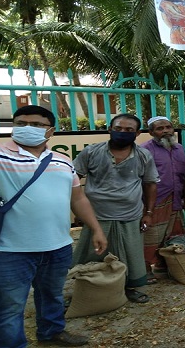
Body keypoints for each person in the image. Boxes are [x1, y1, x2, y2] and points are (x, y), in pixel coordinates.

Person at [0, 105, 107, 347]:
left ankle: (51, 332)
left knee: (52, 296)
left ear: (50, 131)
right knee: (9, 307)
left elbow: (78, 198)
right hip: (10, 251)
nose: (27, 128)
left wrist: (96, 229)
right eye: (20, 123)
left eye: (36, 125)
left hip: (58, 246)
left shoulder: (63, 160)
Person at [72, 113, 159, 303]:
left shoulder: (143, 155)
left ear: (137, 134)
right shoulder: (91, 152)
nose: (122, 133)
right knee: (92, 254)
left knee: (129, 253)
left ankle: (128, 288)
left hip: (130, 215)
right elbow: (73, 179)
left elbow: (150, 184)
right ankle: (88, 291)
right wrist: (78, 211)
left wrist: (149, 213)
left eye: (129, 130)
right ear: (109, 129)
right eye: (118, 128)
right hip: (96, 215)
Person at [140, 116, 185, 283]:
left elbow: (182, 175)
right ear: (151, 132)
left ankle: (165, 266)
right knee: (151, 236)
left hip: (175, 198)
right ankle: (146, 269)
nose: (165, 131)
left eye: (168, 127)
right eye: (160, 129)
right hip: (154, 201)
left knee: (173, 234)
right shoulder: (144, 150)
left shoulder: (178, 148)